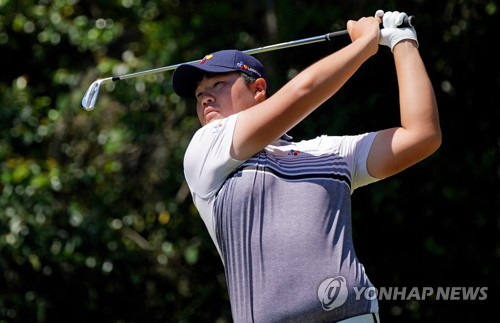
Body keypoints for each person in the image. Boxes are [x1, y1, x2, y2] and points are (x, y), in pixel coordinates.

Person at [171, 10, 441, 323]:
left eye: (217, 84)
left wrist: (402, 41)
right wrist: (364, 46)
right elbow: (303, 91)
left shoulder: (326, 152)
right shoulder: (207, 148)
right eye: (199, 94)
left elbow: (422, 136)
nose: (205, 99)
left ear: (258, 89)